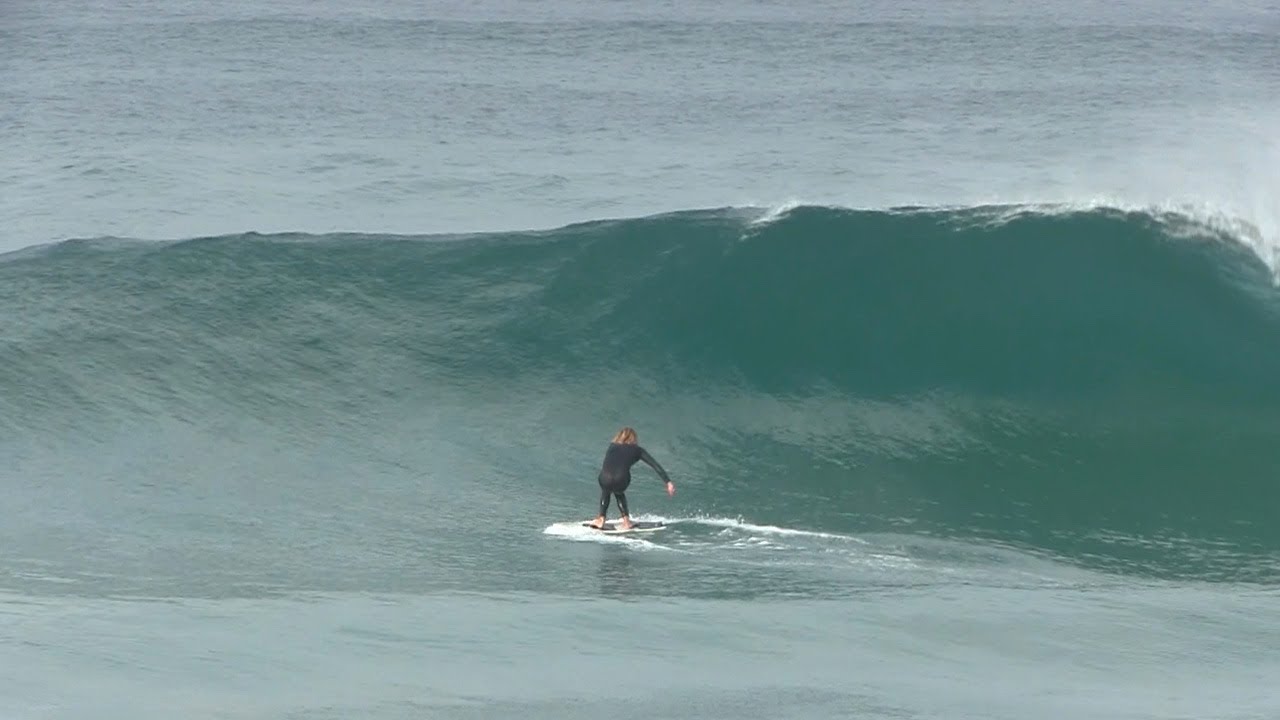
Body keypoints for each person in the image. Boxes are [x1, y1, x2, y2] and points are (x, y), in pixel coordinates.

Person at [589, 426, 675, 530]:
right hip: (621, 480)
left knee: (606, 490)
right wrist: (668, 482)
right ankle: (626, 522)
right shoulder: (638, 450)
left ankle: (601, 519)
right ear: (633, 438)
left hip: (604, 478)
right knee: (619, 492)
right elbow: (655, 465)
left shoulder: (612, 446)